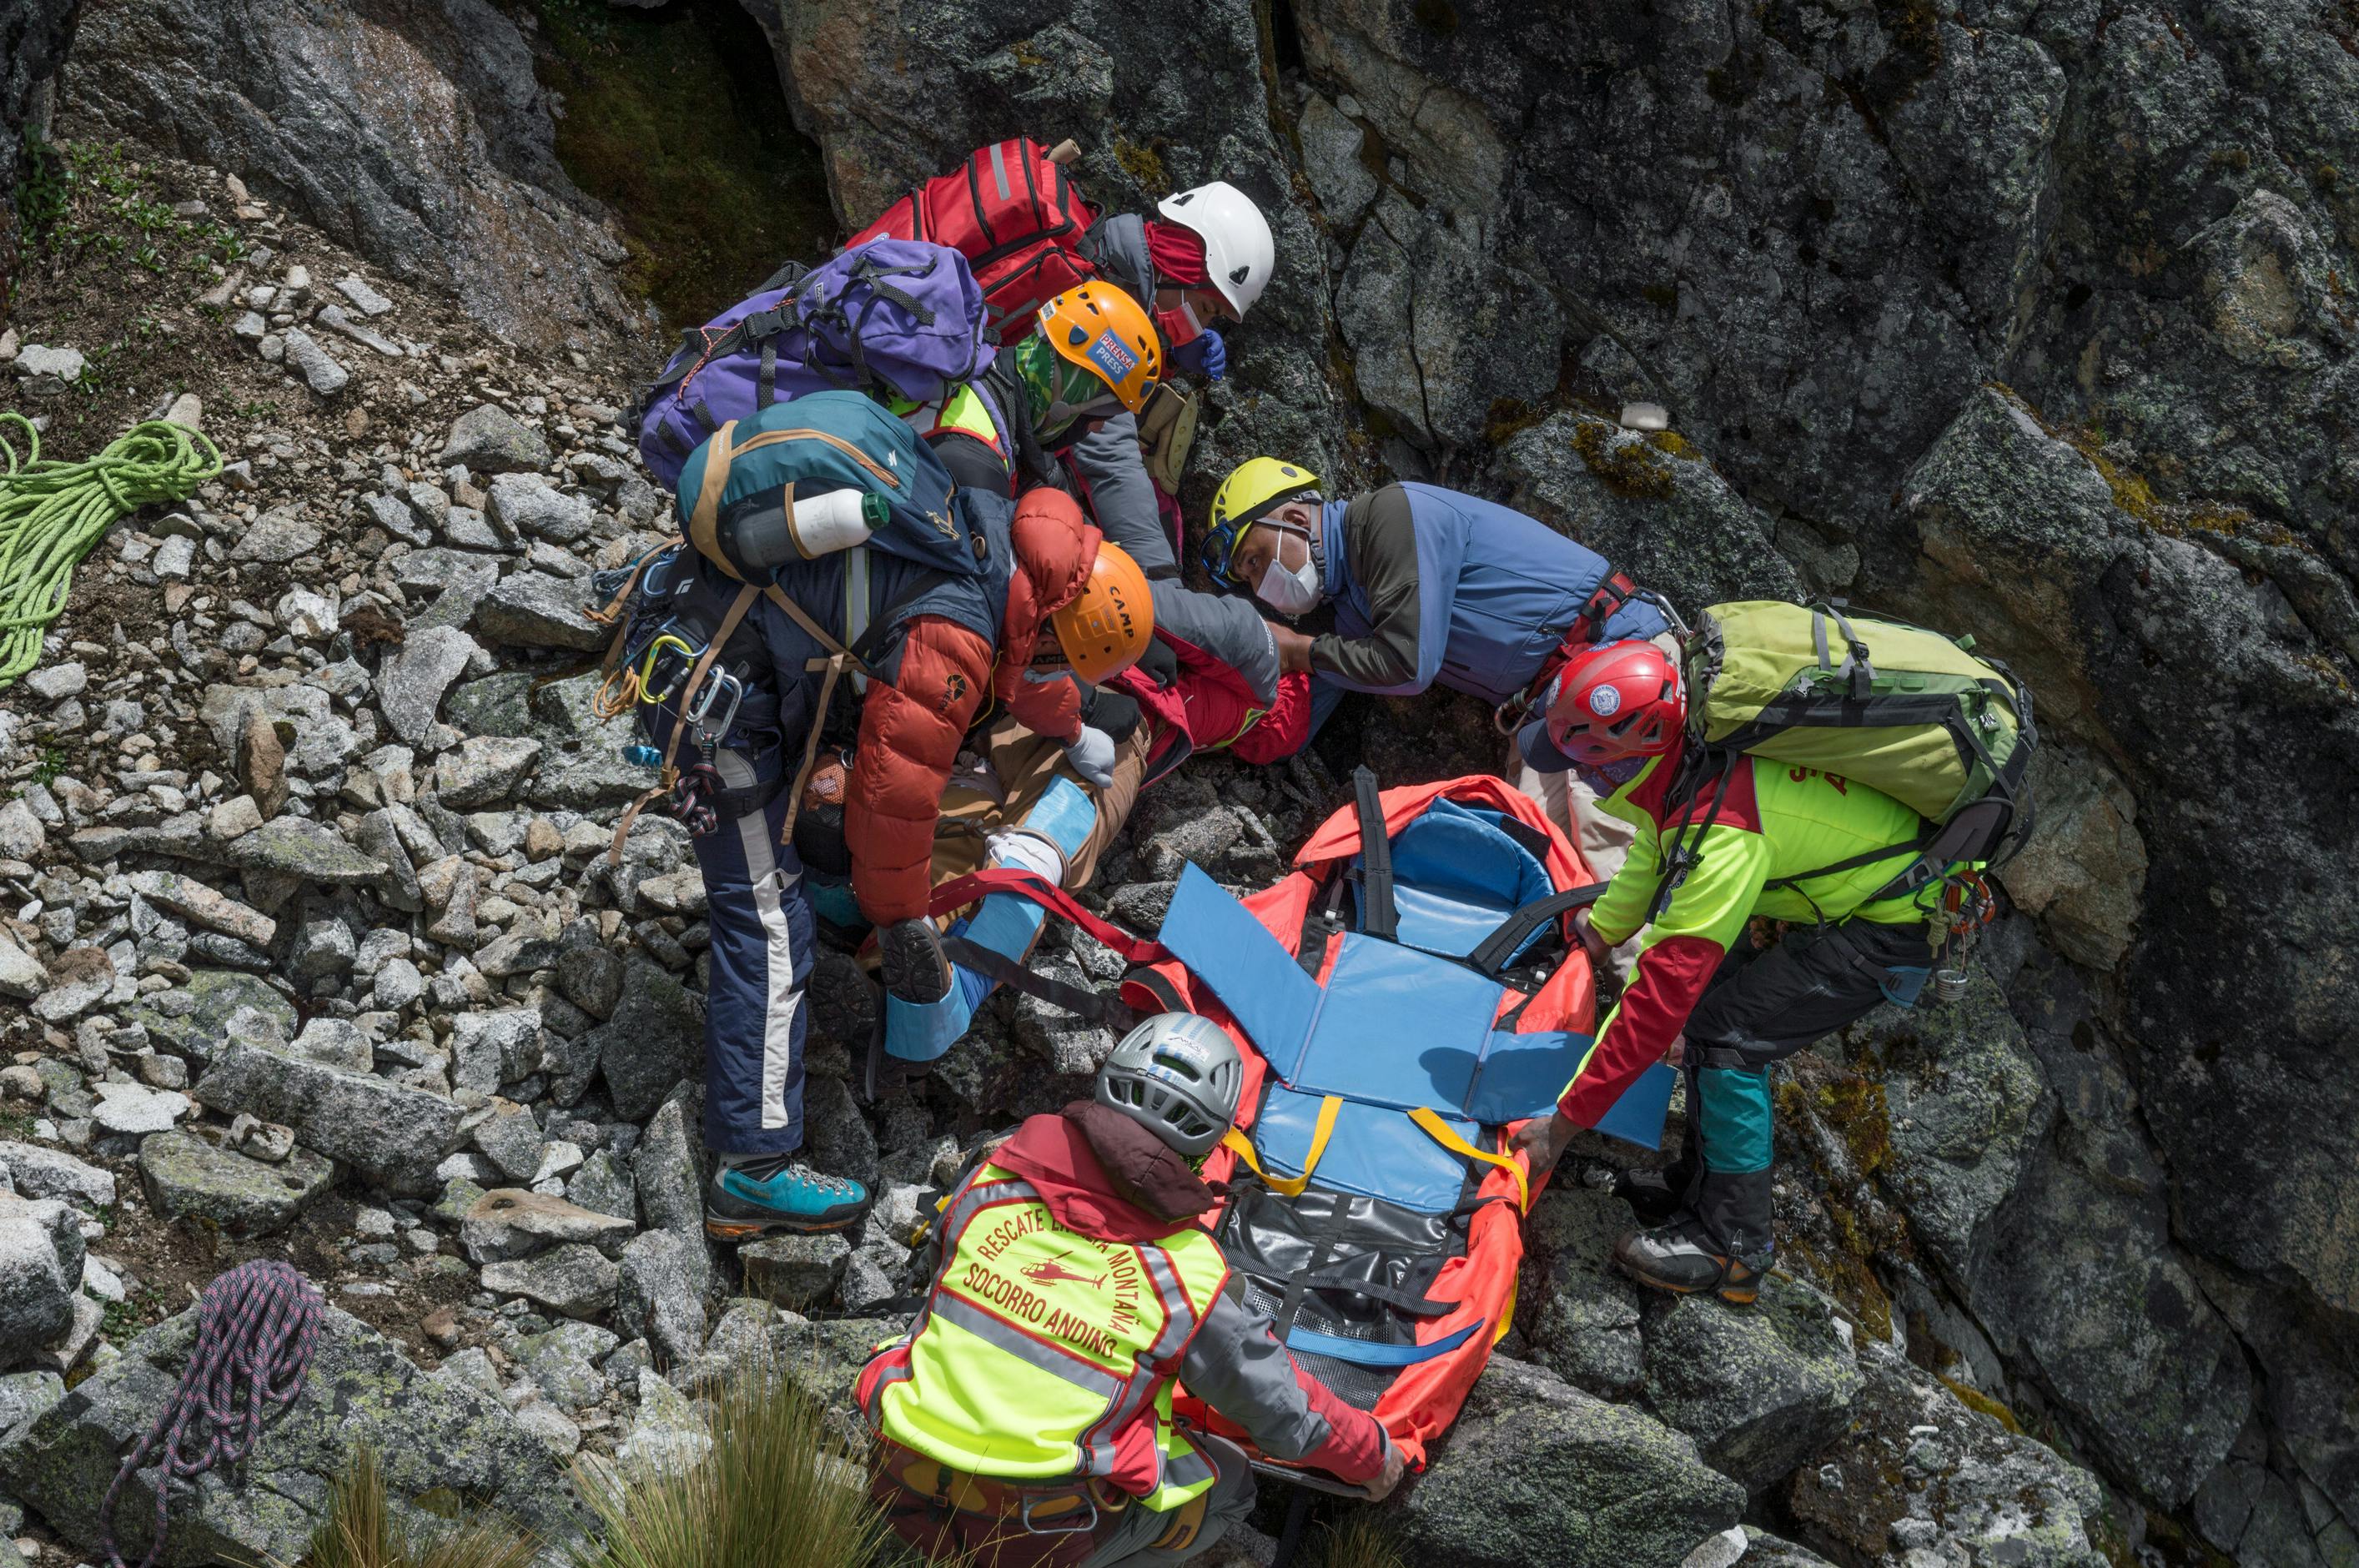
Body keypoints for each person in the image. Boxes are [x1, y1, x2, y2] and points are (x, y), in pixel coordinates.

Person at [629, 481, 1154, 1239]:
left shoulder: (990, 541)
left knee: (807, 862)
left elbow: (1017, 681)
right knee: (768, 916)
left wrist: (1071, 729)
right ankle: (750, 1169)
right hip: (714, 684)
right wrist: (903, 915)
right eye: (1060, 662)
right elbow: (894, 803)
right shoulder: (962, 631)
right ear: (1050, 633)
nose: (1053, 673)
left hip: (710, 626)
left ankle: (838, 906)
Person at [858, 1013, 1406, 1565]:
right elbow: (1280, 1411)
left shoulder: (991, 1181)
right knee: (1233, 1487)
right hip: (1033, 1536)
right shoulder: (1189, 1276)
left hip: (899, 1487)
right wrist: (1372, 1454)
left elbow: (936, 1279)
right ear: (1209, 1145)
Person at [1504, 640, 1944, 1304]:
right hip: (1863, 892)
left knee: (1727, 1039)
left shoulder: (1723, 830)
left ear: (1625, 750)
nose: (1580, 782)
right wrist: (1591, 942)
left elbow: (1657, 1002)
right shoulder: (1688, 772)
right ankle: (1699, 1188)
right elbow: (1650, 860)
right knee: (1714, 1019)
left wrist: (1561, 1128)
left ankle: (1735, 1246)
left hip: (1900, 918)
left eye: (1582, 764)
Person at [1200, 457, 1672, 872]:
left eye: (1257, 559)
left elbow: (1406, 664)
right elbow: (1294, 723)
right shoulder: (1346, 606)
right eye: (1251, 577)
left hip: (1617, 663)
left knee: (1606, 867)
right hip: (1551, 711)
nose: (1263, 585)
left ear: (1297, 517)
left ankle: (1637, 968)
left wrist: (1298, 650)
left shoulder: (1389, 515)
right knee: (1545, 871)